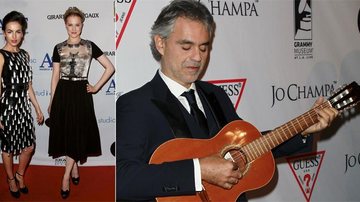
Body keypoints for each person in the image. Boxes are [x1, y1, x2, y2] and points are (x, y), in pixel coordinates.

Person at [116, 0, 338, 201]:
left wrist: (304, 129)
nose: (197, 57)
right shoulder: (135, 104)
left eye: (204, 47)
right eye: (186, 47)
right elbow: (122, 179)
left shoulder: (215, 95)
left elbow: (249, 148)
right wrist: (198, 170)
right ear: (160, 44)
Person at [48, 7, 115, 199]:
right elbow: (54, 77)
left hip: (81, 93)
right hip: (63, 93)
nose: (74, 28)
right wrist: (52, 101)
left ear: (82, 25)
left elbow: (110, 67)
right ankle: (74, 168)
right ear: (65, 25)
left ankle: (66, 176)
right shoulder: (58, 47)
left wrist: (96, 87)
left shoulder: (90, 45)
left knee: (77, 132)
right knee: (68, 131)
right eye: (70, 25)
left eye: (77, 25)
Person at [0, 11, 44, 198]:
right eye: (10, 31)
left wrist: (37, 108)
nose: (14, 36)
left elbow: (28, 86)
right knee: (8, 148)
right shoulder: (1, 56)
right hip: (7, 107)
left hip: (23, 107)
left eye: (18, 32)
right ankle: (11, 179)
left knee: (29, 147)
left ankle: (20, 174)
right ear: (4, 33)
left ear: (23, 33)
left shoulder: (25, 55)